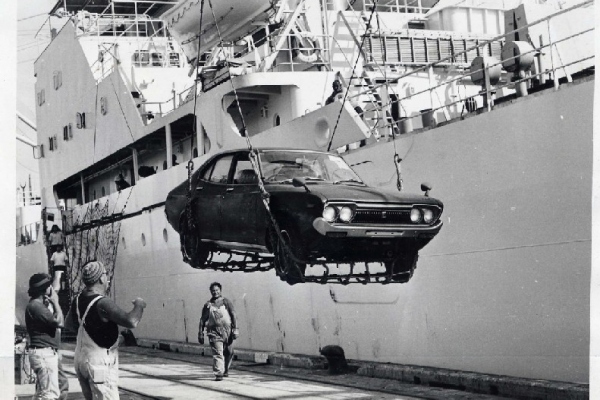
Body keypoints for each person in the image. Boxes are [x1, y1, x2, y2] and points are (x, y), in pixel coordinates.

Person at [65, 261, 146, 400]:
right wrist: (139, 305)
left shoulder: (78, 299)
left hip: (81, 360)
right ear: (101, 278)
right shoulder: (102, 302)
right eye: (105, 274)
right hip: (99, 363)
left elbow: (69, 325)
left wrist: (102, 331)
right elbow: (131, 321)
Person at [25, 273, 64, 399]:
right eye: (49, 285)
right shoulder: (37, 306)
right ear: (45, 289)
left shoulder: (36, 305)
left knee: (41, 393)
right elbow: (60, 322)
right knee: (50, 394)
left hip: (42, 353)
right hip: (44, 354)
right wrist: (56, 302)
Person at [198, 282, 239, 381]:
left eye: (217, 290)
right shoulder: (208, 305)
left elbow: (233, 315)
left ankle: (225, 370)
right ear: (210, 292)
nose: (215, 292)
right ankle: (218, 373)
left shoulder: (226, 302)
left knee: (229, 352)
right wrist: (200, 333)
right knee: (218, 352)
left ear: (220, 290)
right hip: (213, 332)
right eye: (213, 290)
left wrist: (236, 329)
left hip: (227, 331)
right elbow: (202, 319)